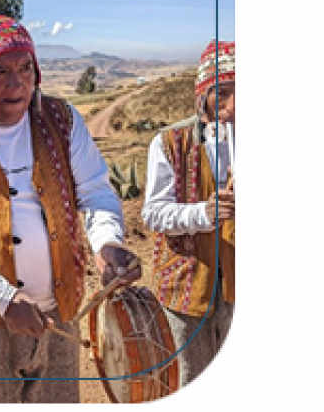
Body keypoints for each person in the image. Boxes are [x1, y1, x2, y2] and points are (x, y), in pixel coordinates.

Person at [0, 12, 142, 405]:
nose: (16, 82)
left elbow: (96, 192)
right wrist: (3, 298)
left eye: (25, 68)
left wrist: (107, 243)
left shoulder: (61, 119)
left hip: (61, 311)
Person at [141, 39, 236, 392]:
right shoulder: (169, 142)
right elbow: (152, 213)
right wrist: (203, 214)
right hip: (186, 287)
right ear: (202, 94)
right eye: (221, 92)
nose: (232, 104)